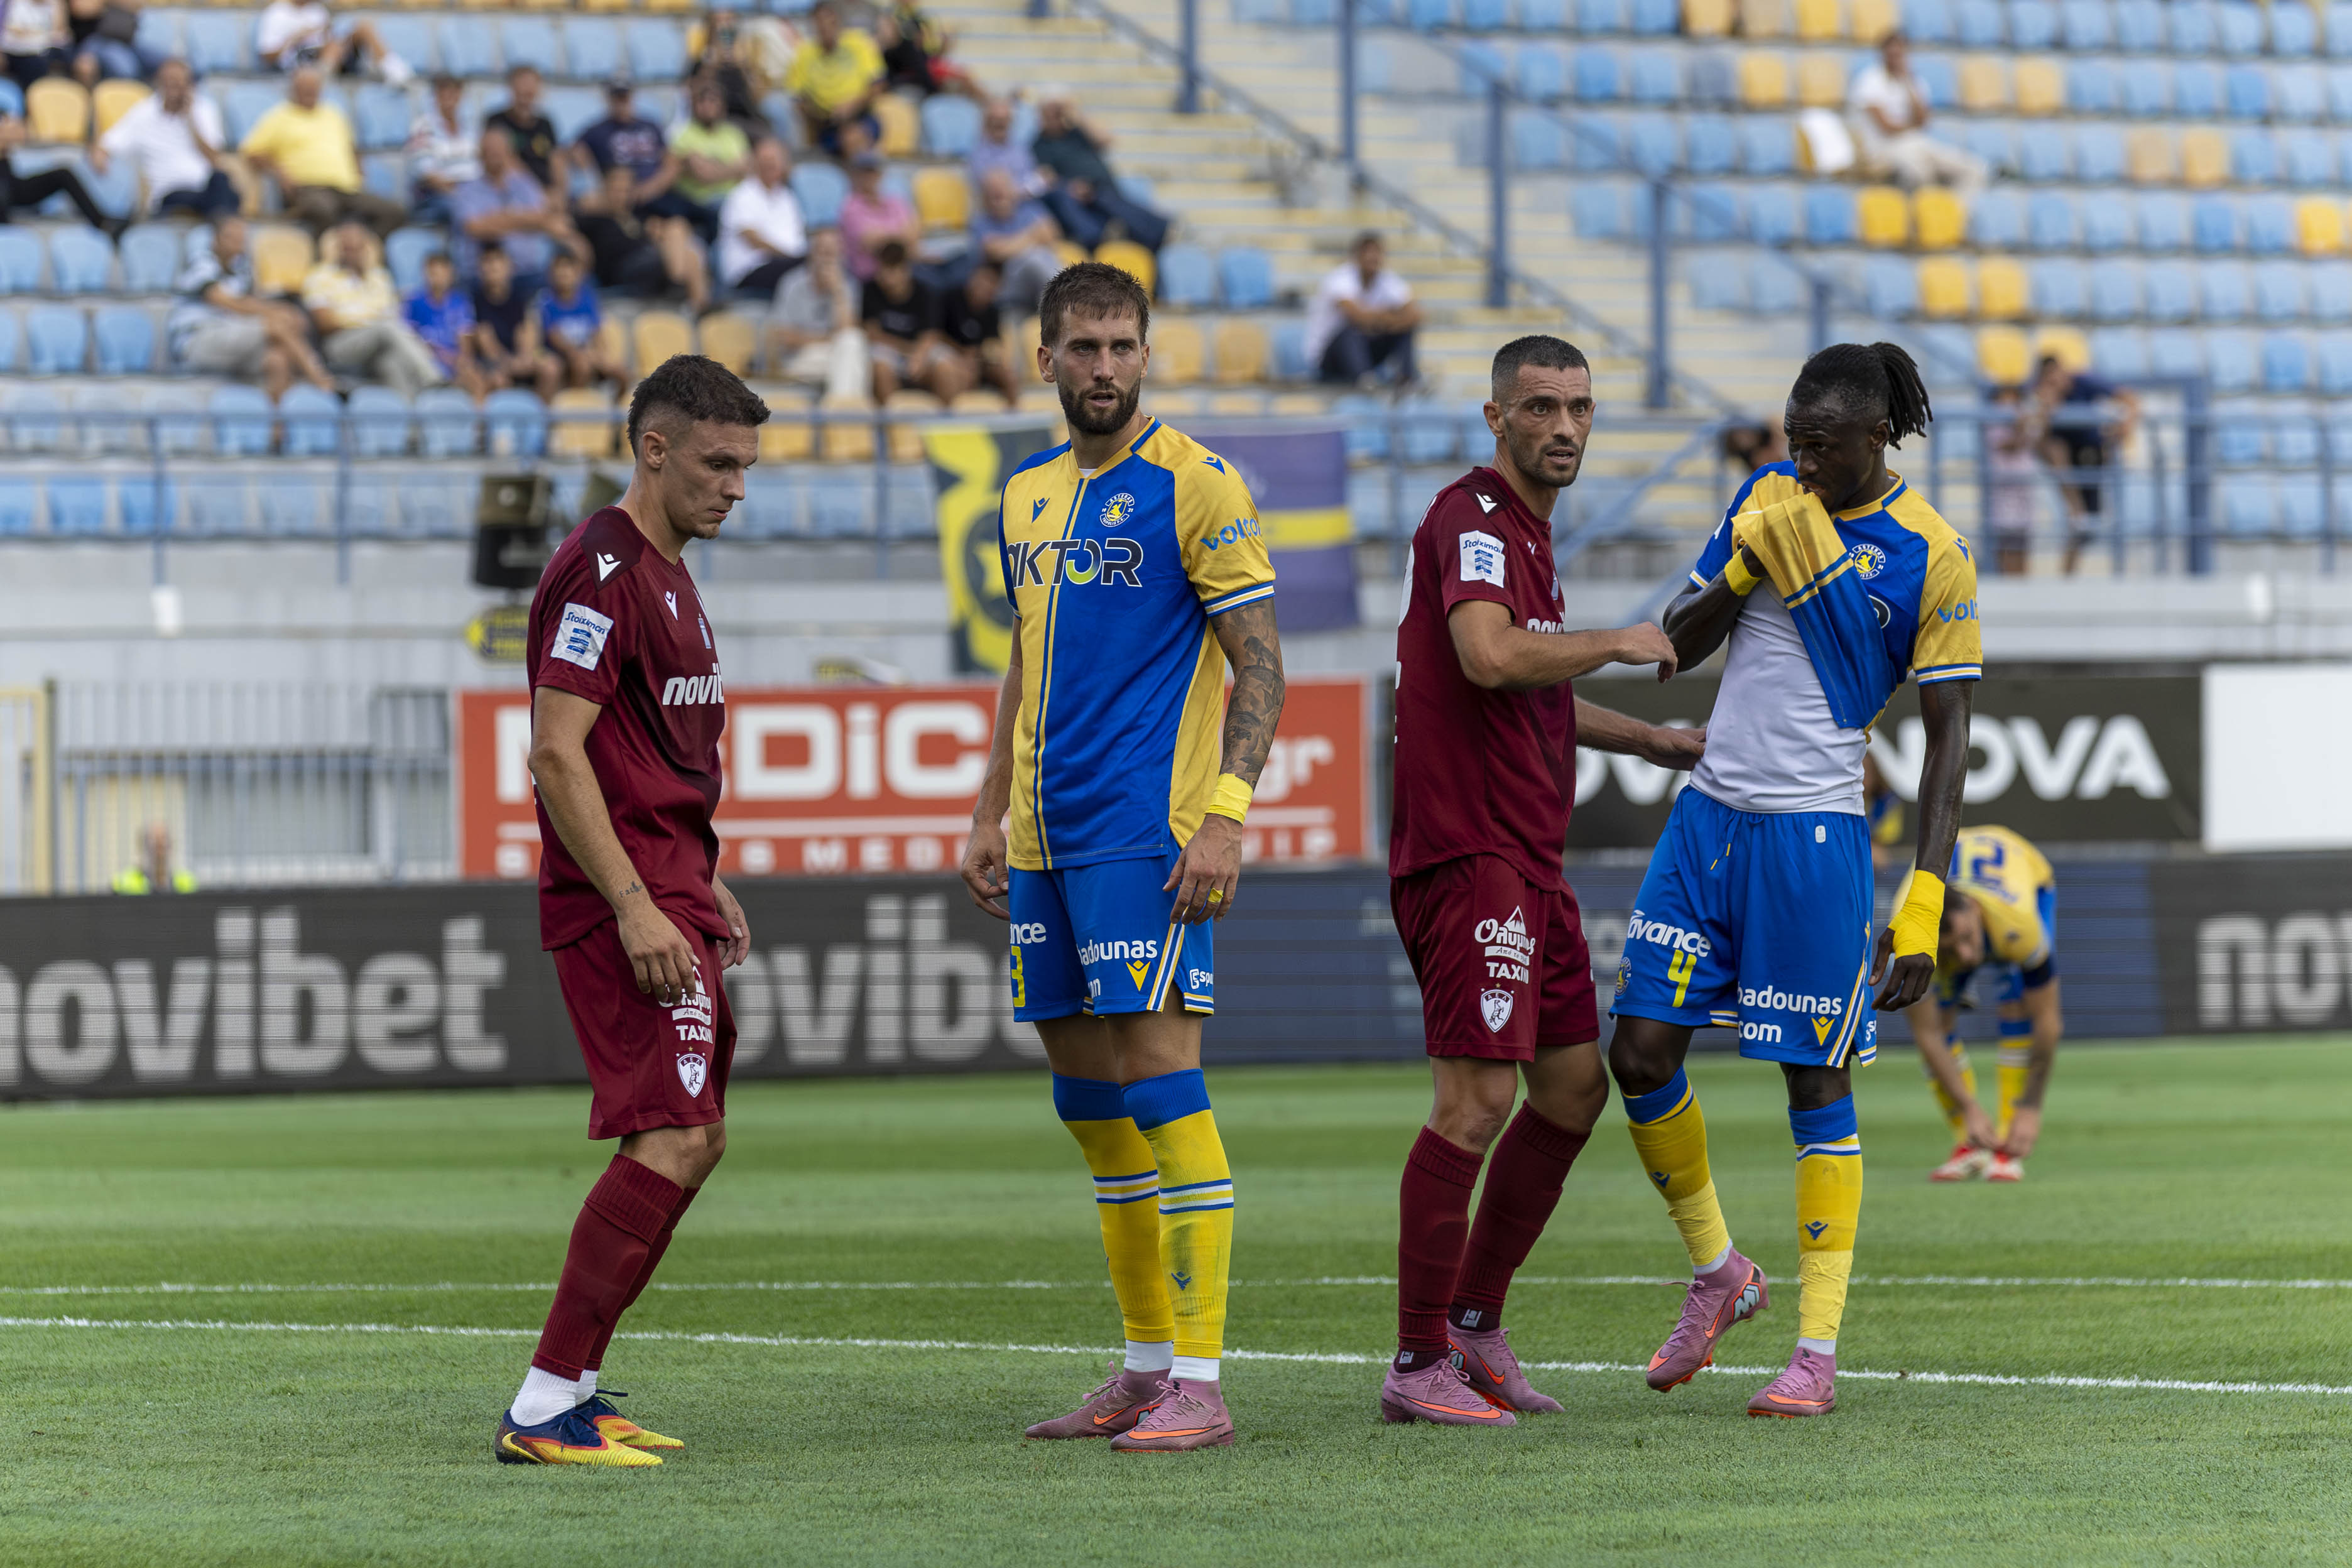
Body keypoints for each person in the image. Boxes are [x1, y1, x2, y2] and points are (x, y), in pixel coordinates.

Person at [1608, 342, 1979, 1418]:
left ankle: (1815, 1351)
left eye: (1821, 445)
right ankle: (1719, 1272)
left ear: (1877, 437)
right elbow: (1673, 646)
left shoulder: (1933, 553)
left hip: (1814, 839)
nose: (1802, 462)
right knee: (1636, 1053)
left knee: (1812, 1082)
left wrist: (1922, 903)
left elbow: (1948, 739)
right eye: (1792, 441)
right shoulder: (1765, 499)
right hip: (1706, 821)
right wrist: (1742, 566)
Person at [959, 262, 1285, 1454]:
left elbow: (1261, 663)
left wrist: (1226, 816)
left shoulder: (1195, 482)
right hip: (1042, 841)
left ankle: (1201, 1382)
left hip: (1144, 834)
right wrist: (988, 808)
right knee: (1089, 1105)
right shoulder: (1024, 495)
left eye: (1122, 346)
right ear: (1042, 358)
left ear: (1146, 355)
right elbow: (1024, 655)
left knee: (1160, 1084)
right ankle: (1147, 1367)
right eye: (1083, 347)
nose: (1104, 367)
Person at [1380, 335, 1699, 1427]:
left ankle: (1473, 1327)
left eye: (1578, 408)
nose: (1562, 427)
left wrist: (1646, 740)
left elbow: (1529, 684)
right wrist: (1615, 639)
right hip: (1470, 854)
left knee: (1569, 1091)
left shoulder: (1527, 535)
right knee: (1473, 1103)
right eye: (1539, 408)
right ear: (1495, 418)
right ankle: (1416, 1360)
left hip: (1529, 858)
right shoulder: (1471, 519)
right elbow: (1489, 655)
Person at [496, 353, 769, 1466]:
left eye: (746, 467)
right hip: (624, 905)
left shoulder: (671, 575)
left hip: (668, 889)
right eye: (717, 463)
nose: (736, 487)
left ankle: (574, 1390)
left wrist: (700, 879)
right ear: (654, 450)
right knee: (674, 1135)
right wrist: (635, 905)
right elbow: (556, 755)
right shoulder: (599, 572)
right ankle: (540, 1405)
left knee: (695, 1137)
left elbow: (649, 762)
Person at [1907, 826, 2062, 1184]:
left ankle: (2007, 1145)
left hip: (2026, 880)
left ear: (1974, 910)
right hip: (1939, 912)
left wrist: (2031, 1107)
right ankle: (1972, 1142)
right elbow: (1927, 1033)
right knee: (1940, 1019)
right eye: (1952, 949)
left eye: (1967, 938)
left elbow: (2048, 1021)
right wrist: (1969, 1109)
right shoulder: (1910, 930)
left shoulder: (2017, 923)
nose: (1965, 956)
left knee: (2019, 1005)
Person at [167, 214, 336, 398]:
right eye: (231, 236)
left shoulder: (241, 270)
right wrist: (276, 312)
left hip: (232, 336)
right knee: (277, 324)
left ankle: (279, 415)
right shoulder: (201, 262)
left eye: (241, 237)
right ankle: (320, 380)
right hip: (197, 340)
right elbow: (222, 300)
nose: (238, 242)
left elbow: (250, 304)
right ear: (216, 239)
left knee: (277, 359)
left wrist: (281, 312)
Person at [241, 65, 405, 236]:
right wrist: (280, 173)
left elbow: (352, 147)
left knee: (394, 212)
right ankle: (330, 249)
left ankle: (362, 246)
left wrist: (358, 173)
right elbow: (253, 152)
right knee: (323, 209)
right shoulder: (279, 116)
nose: (310, 93)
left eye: (314, 89)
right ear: (293, 90)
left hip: (347, 189)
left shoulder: (334, 114)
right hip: (308, 188)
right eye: (305, 89)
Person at [302, 219, 445, 396]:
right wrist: (369, 321)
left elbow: (393, 314)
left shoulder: (380, 278)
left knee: (391, 361)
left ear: (366, 248)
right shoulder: (320, 276)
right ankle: (433, 378)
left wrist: (360, 319)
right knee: (387, 328)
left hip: (379, 342)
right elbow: (325, 322)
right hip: (340, 344)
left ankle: (408, 409)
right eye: (347, 248)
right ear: (338, 249)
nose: (353, 253)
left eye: (358, 247)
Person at [92, 57, 239, 220]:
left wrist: (191, 121)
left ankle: (222, 222)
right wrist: (100, 155)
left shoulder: (204, 109)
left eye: (178, 84)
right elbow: (108, 143)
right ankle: (224, 223)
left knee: (221, 181)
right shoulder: (144, 113)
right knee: (227, 201)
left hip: (205, 188)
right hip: (168, 193)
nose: (173, 89)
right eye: (168, 83)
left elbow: (215, 159)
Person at [2032, 354, 2138, 575]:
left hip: (2090, 455)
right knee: (2055, 450)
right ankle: (2075, 510)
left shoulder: (2084, 382)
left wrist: (2126, 425)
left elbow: (2128, 397)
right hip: (2063, 459)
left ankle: (2068, 572)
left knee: (2088, 526)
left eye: (2055, 377)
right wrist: (2046, 410)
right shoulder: (2041, 393)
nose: (2055, 383)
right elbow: (2038, 439)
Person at [1846, 31, 1984, 199]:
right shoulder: (1870, 81)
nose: (1896, 58)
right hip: (1884, 148)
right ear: (1883, 55)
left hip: (1916, 143)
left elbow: (1923, 120)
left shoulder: (1913, 82)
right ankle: (1923, 212)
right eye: (1892, 54)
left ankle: (1954, 213)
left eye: (1900, 54)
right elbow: (1886, 127)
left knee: (1973, 170)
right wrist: (1912, 126)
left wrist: (1908, 84)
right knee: (1919, 173)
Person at [1032, 96, 1168, 252]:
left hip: (1103, 187)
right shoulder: (1039, 145)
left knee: (1113, 202)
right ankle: (1159, 231)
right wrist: (1071, 186)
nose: (1055, 116)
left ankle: (1155, 233)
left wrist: (1076, 112)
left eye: (1057, 112)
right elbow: (1046, 177)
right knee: (1107, 202)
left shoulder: (1077, 133)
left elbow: (1106, 140)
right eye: (1050, 112)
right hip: (1078, 194)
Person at [451, 126, 576, 293]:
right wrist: (525, 221)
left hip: (530, 272)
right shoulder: (467, 190)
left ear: (509, 153)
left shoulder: (524, 183)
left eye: (499, 150)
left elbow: (543, 216)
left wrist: (500, 218)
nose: (495, 155)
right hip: (482, 280)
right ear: (480, 155)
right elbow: (476, 228)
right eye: (490, 151)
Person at [575, 161, 709, 313]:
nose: (622, 196)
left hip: (648, 262)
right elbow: (569, 221)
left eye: (626, 191)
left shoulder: (637, 217)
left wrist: (658, 235)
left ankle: (698, 307)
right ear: (605, 189)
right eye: (617, 190)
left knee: (685, 241)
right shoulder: (595, 217)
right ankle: (679, 288)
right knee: (676, 233)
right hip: (621, 269)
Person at [1307, 231, 1422, 390]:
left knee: (1405, 330)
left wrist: (1384, 321)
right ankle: (1364, 378)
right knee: (1351, 331)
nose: (1372, 258)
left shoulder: (1387, 280)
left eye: (1377, 253)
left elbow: (1416, 315)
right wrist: (1391, 316)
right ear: (1357, 256)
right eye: (1368, 253)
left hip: (1365, 352)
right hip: (1330, 358)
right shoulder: (1339, 279)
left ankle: (1407, 378)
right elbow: (1357, 317)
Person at [766, 224, 866, 403]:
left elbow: (848, 332)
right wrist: (828, 339)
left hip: (834, 354)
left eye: (833, 252)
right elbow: (785, 337)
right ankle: (847, 412)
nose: (828, 257)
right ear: (812, 253)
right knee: (852, 359)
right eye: (823, 251)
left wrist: (838, 292)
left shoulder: (847, 285)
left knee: (853, 344)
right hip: (799, 359)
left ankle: (838, 410)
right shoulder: (792, 283)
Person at [861, 239, 961, 401]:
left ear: (906, 269)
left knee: (946, 368)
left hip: (920, 349)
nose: (888, 277)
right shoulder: (871, 291)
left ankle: (948, 414)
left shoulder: (925, 293)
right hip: (890, 350)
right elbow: (873, 334)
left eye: (893, 269)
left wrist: (919, 356)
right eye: (884, 269)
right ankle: (893, 415)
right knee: (881, 368)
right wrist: (908, 350)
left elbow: (932, 334)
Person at [782, 1, 881, 155]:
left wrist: (853, 105)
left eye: (831, 22)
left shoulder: (859, 44)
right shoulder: (804, 53)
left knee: (855, 136)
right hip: (826, 124)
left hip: (861, 117)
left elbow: (878, 86)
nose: (826, 28)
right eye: (820, 23)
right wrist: (816, 112)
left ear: (839, 22)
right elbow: (797, 97)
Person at [0, 106, 121, 232]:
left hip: (11, 186)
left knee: (63, 175)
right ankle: (6, 233)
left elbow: (21, 134)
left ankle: (102, 223)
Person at [715, 134, 805, 297]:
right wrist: (791, 258)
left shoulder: (787, 196)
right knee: (805, 267)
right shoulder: (742, 195)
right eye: (766, 162)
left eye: (775, 161)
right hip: (750, 268)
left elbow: (797, 235)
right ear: (756, 163)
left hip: (786, 263)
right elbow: (753, 239)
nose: (770, 166)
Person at [471, 240, 560, 401]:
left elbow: (528, 328)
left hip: (519, 357)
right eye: (488, 263)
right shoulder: (475, 300)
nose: (493, 268)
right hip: (492, 362)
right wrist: (505, 361)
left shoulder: (520, 296)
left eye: (498, 262)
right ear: (480, 269)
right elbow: (484, 338)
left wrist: (524, 357)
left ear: (509, 267)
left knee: (551, 368)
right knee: (499, 381)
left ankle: (542, 413)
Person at [970, 166, 1062, 316]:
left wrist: (1012, 244)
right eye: (993, 193)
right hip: (1007, 285)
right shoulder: (981, 222)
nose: (998, 195)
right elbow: (996, 252)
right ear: (984, 196)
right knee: (1034, 258)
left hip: (1039, 283)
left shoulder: (1029, 209)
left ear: (1012, 190)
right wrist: (1033, 236)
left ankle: (1061, 302)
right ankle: (1063, 301)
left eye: (1002, 190)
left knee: (1041, 257)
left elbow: (1051, 234)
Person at [668, 77, 748, 243]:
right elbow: (704, 175)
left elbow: (748, 169)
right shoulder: (683, 135)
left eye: (713, 101)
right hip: (702, 204)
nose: (708, 107)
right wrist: (732, 168)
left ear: (722, 106)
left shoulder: (733, 134)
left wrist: (715, 168)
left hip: (736, 199)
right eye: (702, 101)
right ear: (693, 106)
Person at [403, 249, 487, 400]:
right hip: (426, 360)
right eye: (433, 273)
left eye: (442, 272)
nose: (437, 278)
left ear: (451, 274)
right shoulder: (414, 302)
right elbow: (409, 339)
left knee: (476, 377)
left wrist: (463, 360)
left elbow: (465, 336)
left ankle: (477, 414)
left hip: (455, 363)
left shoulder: (460, 302)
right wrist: (442, 356)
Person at [255, 0, 410, 82]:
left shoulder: (317, 10)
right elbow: (267, 56)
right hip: (299, 61)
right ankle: (323, 80)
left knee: (364, 27)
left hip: (329, 54)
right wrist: (296, 38)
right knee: (333, 46)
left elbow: (328, 36)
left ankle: (394, 70)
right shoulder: (276, 13)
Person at [540, 248, 623, 391]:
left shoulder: (588, 299)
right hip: (560, 356)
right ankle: (576, 400)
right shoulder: (547, 302)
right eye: (559, 269)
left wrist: (602, 355)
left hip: (587, 352)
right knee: (582, 365)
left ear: (578, 274)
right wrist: (577, 353)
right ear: (551, 274)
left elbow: (596, 331)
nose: (564, 274)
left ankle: (620, 403)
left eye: (568, 269)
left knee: (621, 372)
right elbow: (554, 337)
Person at [1984, 381, 2045, 575]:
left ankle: (2020, 584)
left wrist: (2032, 420)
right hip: (2003, 488)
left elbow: (2036, 436)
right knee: (2005, 541)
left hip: (2023, 488)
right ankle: (2006, 581)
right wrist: (2022, 426)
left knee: (2023, 541)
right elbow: (2007, 445)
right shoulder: (1993, 417)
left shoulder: (2022, 415)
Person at [406, 74, 479, 227]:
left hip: (472, 189)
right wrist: (462, 194)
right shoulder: (423, 127)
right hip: (437, 195)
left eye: (454, 93)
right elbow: (427, 175)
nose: (449, 98)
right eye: (444, 93)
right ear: (435, 97)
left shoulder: (471, 126)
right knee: (466, 208)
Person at [939, 259, 1015, 404]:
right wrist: (962, 353)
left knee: (1008, 374)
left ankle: (1014, 413)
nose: (986, 287)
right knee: (962, 373)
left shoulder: (992, 311)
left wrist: (985, 355)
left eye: (992, 284)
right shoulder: (950, 299)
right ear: (974, 278)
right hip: (950, 354)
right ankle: (958, 412)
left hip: (979, 358)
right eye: (984, 280)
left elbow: (993, 343)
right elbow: (936, 335)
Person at [838, 150, 915, 280]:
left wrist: (885, 236)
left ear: (880, 174)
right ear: (855, 176)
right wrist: (900, 235)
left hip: (903, 273)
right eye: (864, 173)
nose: (869, 177)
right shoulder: (849, 207)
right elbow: (871, 241)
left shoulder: (895, 201)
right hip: (872, 277)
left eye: (873, 171)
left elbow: (913, 236)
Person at [487, 64, 564, 194]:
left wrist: (559, 192)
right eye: (522, 86)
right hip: (514, 193)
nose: (526, 90)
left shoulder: (545, 124)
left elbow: (556, 160)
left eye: (530, 87)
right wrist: (536, 193)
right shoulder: (496, 122)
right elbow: (504, 160)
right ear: (512, 88)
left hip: (546, 193)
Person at [967, 97, 1038, 194]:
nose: (1000, 124)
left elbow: (1032, 180)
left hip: (1024, 201)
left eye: (1004, 119)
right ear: (986, 123)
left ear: (1011, 122)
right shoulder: (978, 153)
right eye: (995, 119)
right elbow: (989, 188)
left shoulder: (1021, 150)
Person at [111, 822, 197, 895]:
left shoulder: (186, 882)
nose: (159, 852)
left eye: (163, 844)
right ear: (143, 847)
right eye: (155, 844)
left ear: (171, 846)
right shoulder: (124, 883)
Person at [3, 0, 71, 89]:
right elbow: (14, 30)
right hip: (17, 52)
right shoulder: (16, 3)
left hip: (45, 52)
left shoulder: (55, 4)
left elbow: (60, 33)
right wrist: (42, 35)